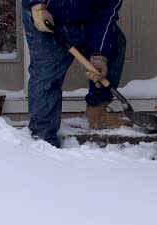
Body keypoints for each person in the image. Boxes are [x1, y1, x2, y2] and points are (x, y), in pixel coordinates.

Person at [22, 0, 132, 148]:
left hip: (89, 20)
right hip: (47, 14)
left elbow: (107, 14)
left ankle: (97, 113)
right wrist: (36, 5)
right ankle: (43, 140)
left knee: (115, 44)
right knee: (46, 74)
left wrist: (100, 54)